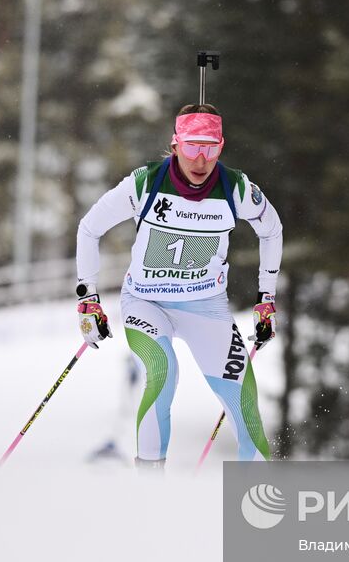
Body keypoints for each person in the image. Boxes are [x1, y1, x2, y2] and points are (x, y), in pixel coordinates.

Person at [74, 103, 282, 467]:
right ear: (175, 146)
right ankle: (151, 495)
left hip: (207, 308)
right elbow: (90, 228)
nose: (200, 160)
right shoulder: (145, 183)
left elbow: (273, 230)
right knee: (162, 370)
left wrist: (267, 298)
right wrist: (88, 299)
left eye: (210, 148)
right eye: (191, 148)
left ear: (221, 146)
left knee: (244, 403)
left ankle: (261, 507)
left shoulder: (235, 188)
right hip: (145, 302)